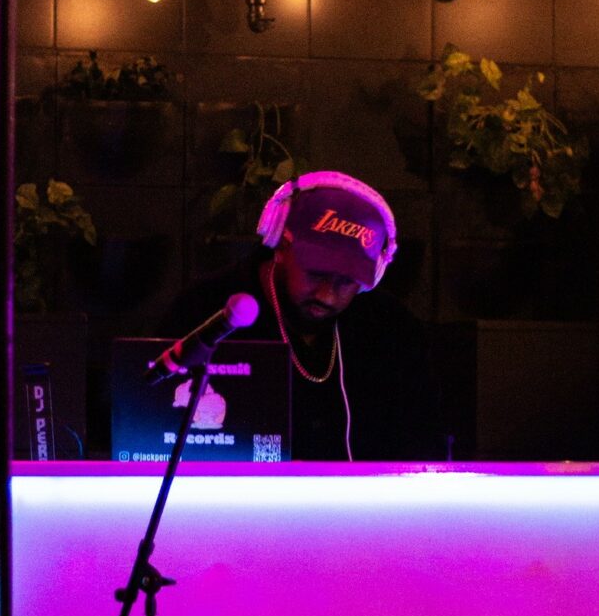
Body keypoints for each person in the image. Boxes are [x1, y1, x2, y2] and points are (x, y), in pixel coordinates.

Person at [163, 171, 444, 461]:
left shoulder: (393, 329)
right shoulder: (203, 311)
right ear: (280, 245)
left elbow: (425, 444)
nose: (327, 295)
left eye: (346, 282)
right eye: (316, 274)